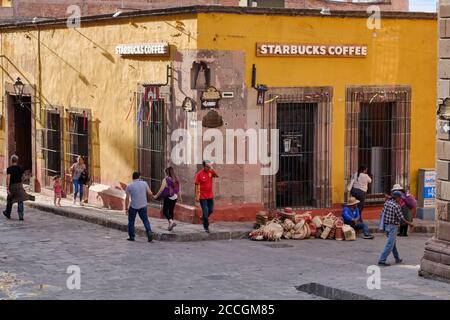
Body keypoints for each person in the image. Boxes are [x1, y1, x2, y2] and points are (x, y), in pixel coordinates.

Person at [378, 191, 415, 267]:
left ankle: (397, 258)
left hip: (387, 226)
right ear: (397, 198)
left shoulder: (387, 203)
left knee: (392, 243)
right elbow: (401, 218)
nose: (401, 199)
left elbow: (382, 213)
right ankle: (382, 260)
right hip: (393, 227)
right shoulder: (396, 206)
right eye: (400, 198)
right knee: (390, 244)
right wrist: (410, 224)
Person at [124, 171, 154, 242]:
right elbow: (150, 193)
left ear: (133, 178)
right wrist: (153, 195)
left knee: (131, 221)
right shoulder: (144, 183)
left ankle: (132, 236)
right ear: (139, 177)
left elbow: (127, 198)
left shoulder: (129, 186)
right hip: (143, 205)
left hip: (133, 206)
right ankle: (149, 232)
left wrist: (126, 208)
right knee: (145, 220)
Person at [3, 155, 32, 221]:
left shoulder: (9, 169)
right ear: (17, 161)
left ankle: (7, 213)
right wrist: (21, 182)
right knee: (20, 200)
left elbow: (8, 179)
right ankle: (21, 216)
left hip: (12, 186)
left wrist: (7, 189)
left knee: (10, 200)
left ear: (11, 161)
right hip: (19, 186)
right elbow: (24, 177)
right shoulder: (20, 168)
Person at [154, 167, 181, 231]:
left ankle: (171, 222)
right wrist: (180, 197)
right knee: (171, 210)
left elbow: (161, 189)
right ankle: (170, 225)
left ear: (167, 172)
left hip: (168, 196)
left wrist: (156, 196)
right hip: (175, 196)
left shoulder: (166, 179)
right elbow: (179, 189)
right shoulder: (176, 179)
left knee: (165, 211)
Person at [195, 160, 218, 233]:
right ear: (204, 166)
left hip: (210, 195)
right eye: (207, 167)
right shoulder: (199, 174)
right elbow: (196, 185)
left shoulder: (211, 172)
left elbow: (216, 175)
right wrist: (197, 196)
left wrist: (212, 168)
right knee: (205, 212)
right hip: (202, 197)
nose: (209, 168)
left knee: (211, 210)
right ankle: (206, 227)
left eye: (209, 167)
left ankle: (204, 218)